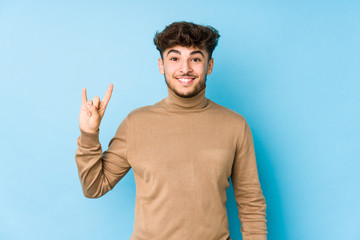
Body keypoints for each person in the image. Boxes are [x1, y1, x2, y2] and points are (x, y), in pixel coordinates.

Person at [75, 21, 267, 240]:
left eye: (195, 59)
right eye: (174, 58)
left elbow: (251, 204)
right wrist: (89, 135)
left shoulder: (235, 125)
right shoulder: (136, 123)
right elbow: (93, 187)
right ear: (161, 65)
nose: (185, 68)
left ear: (209, 66)